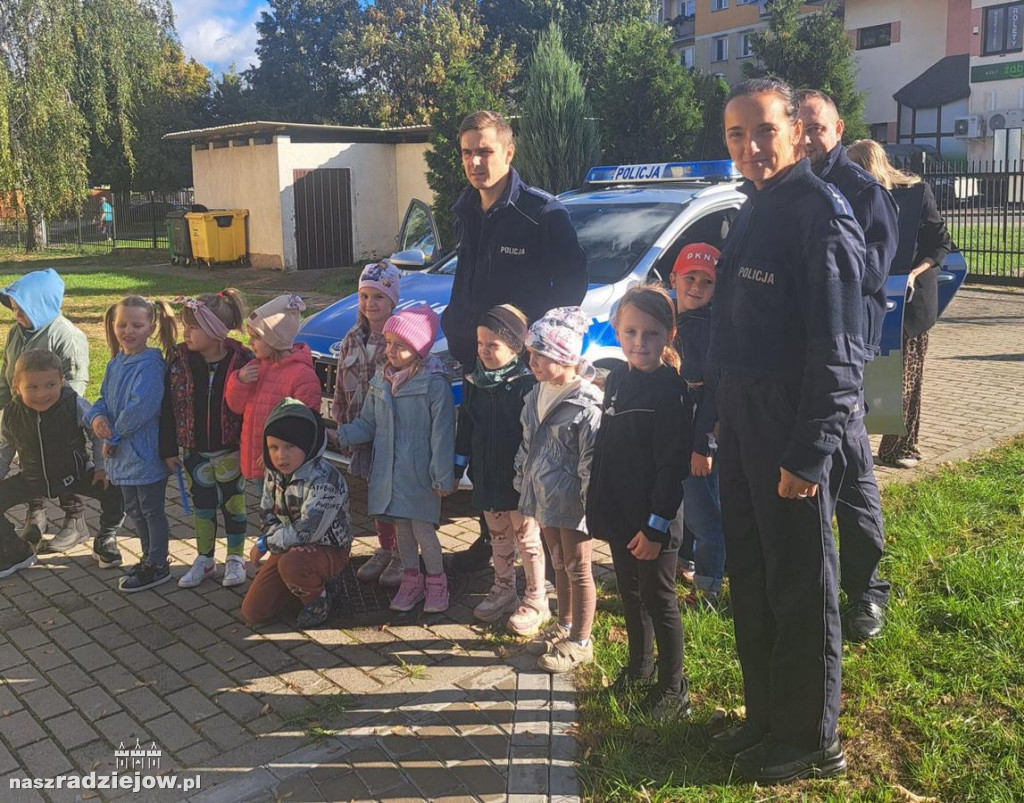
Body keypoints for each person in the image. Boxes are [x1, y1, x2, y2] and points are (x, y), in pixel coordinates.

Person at [708, 78, 866, 783]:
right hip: (741, 422)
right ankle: (766, 716)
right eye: (737, 135)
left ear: (797, 131)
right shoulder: (750, 210)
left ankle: (810, 737)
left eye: (765, 130)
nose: (751, 147)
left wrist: (809, 452)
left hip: (791, 426)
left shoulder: (819, 216)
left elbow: (839, 354)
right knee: (753, 573)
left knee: (800, 582)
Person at [442, 110, 588, 572]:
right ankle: (493, 545)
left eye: (484, 151)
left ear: (508, 152)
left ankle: (537, 570)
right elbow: (464, 276)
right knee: (487, 457)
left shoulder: (543, 212)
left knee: (521, 462)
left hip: (521, 366)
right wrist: (457, 325)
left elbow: (572, 288)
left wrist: (536, 346)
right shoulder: (466, 207)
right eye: (467, 152)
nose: (475, 162)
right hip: (476, 356)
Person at [798, 90, 899, 642]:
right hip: (793, 356)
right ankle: (812, 583)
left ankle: (867, 593)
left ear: (839, 129)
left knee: (851, 475)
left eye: (818, 127)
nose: (809, 137)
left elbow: (871, 271)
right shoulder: (786, 191)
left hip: (841, 356)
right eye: (802, 127)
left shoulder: (861, 192)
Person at [586, 285, 692, 719]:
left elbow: (671, 469)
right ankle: (640, 667)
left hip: (654, 524)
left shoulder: (671, 390)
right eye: (630, 332)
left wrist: (655, 527)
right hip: (621, 519)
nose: (639, 343)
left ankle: (674, 688)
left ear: (668, 335)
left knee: (659, 601)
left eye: (650, 334)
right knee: (631, 595)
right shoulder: (617, 379)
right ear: (617, 331)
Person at [335, 305, 455, 614]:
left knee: (424, 532)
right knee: (402, 532)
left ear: (418, 348)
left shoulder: (433, 383)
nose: (390, 351)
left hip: (420, 474)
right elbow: (368, 424)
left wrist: (442, 476)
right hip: (389, 473)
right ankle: (411, 582)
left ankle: (437, 582)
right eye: (388, 343)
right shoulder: (381, 379)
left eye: (399, 345)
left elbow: (442, 434)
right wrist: (341, 435)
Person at [847, 139, 954, 472]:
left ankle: (900, 447)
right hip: (873, 297)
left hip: (911, 300)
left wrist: (912, 274)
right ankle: (863, 438)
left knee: (905, 376)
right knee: (876, 373)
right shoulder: (857, 197)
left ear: (870, 165)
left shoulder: (916, 194)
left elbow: (940, 244)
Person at [516, 307, 601, 670]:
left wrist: (589, 506)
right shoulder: (536, 395)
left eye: (541, 354)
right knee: (559, 564)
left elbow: (591, 462)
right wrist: (523, 486)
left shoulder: (585, 404)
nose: (532, 361)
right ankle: (564, 625)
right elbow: (526, 445)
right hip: (543, 497)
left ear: (565, 357)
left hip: (573, 504)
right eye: (531, 354)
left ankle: (581, 639)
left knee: (579, 568)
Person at [454, 305, 547, 634]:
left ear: (515, 348)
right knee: (498, 537)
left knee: (528, 539)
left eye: (492, 345)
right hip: (486, 476)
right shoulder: (474, 382)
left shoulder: (526, 386)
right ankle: (504, 589)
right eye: (480, 343)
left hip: (518, 481)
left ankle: (536, 598)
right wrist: (458, 463)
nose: (483, 351)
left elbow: (534, 435)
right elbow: (466, 424)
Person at [0, 350, 125, 578]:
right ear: (17, 386)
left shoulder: (73, 404)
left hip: (74, 473)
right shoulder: (10, 414)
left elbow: (97, 432)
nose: (42, 394)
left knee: (116, 490)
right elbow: (5, 448)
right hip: (32, 478)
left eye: (50, 385)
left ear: (62, 381)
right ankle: (17, 550)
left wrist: (101, 466)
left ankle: (106, 538)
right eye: (32, 387)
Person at [161, 290, 254, 589]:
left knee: (234, 505)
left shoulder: (242, 361)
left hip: (230, 451)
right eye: (184, 325)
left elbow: (253, 408)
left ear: (215, 332)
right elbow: (167, 408)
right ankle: (204, 559)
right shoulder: (179, 361)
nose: (185, 333)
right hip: (194, 452)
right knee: (202, 507)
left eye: (193, 327)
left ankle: (236, 558)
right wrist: (168, 448)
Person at [88, 295, 178, 593]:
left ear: (151, 327)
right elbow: (103, 396)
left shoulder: (151, 365)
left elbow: (143, 408)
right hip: (122, 455)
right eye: (122, 324)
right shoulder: (116, 362)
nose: (128, 331)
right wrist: (97, 416)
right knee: (134, 509)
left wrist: (112, 435)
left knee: (151, 509)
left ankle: (158, 563)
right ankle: (149, 556)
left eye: (137, 325)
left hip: (144, 453)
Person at [0, 269, 91, 551]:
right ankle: (36, 515)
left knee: (60, 466)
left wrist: (59, 413)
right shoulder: (17, 333)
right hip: (24, 416)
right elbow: (8, 372)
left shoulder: (67, 336)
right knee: (31, 465)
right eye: (14, 309)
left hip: (57, 422)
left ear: (41, 304)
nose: (17, 315)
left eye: (22, 310)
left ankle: (75, 520)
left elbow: (75, 382)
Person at [241, 398, 352, 627]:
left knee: (293, 565)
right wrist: (280, 541)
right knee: (254, 611)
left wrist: (266, 544)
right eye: (274, 447)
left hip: (329, 548)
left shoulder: (325, 479)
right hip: (291, 545)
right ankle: (298, 582)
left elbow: (308, 530)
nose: (281, 455)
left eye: (290, 446)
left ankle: (319, 600)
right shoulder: (273, 474)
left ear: (308, 445)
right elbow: (267, 515)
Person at [332, 261, 403, 588]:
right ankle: (385, 548)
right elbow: (339, 386)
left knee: (396, 495)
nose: (369, 304)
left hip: (391, 434)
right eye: (363, 296)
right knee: (376, 495)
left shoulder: (397, 341)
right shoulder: (351, 337)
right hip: (361, 430)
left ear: (392, 301)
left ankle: (404, 552)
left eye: (378, 297)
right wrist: (341, 419)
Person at [669, 243, 725, 608]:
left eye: (707, 281)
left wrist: (703, 445)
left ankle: (708, 588)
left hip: (698, 440)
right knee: (683, 506)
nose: (697, 287)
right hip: (674, 436)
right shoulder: (667, 319)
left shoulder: (712, 328)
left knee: (707, 519)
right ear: (674, 278)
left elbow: (715, 394)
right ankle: (684, 563)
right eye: (690, 277)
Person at [225, 295, 322, 486]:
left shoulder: (301, 375)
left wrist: (277, 453)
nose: (250, 342)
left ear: (276, 339)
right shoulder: (255, 367)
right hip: (258, 458)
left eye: (257, 337)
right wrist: (239, 381)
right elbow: (235, 407)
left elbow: (305, 424)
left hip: (283, 463)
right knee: (266, 509)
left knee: (284, 510)